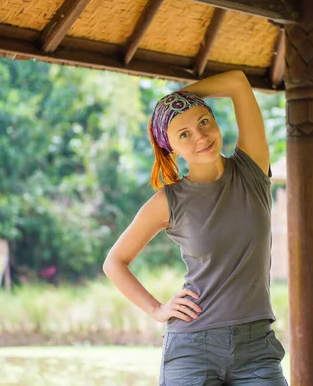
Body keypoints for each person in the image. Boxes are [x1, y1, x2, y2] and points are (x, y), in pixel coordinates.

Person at [103, 70, 287, 385]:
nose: (200, 137)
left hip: (256, 346)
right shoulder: (169, 200)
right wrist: (158, 309)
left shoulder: (252, 169)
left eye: (203, 122)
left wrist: (176, 99)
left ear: (215, 121)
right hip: (193, 347)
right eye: (183, 134)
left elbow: (237, 83)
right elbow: (114, 263)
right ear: (171, 148)